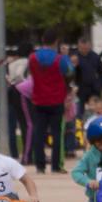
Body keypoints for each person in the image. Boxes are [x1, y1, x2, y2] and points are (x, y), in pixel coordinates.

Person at [25, 39, 70, 172]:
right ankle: (55, 166)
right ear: (55, 42)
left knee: (39, 133)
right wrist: (65, 56)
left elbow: (30, 73)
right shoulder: (59, 59)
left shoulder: (32, 58)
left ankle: (40, 165)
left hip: (39, 99)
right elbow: (69, 71)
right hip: (56, 100)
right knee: (57, 133)